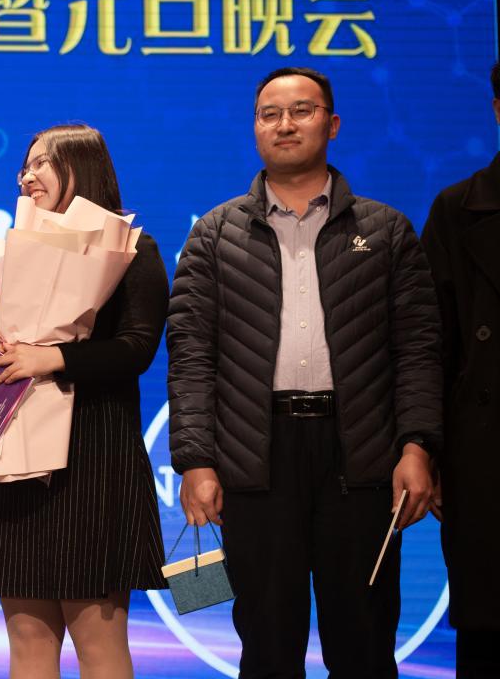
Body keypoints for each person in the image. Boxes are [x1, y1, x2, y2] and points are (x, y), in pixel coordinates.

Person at [168, 67, 442, 678]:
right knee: (267, 643)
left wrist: (417, 446)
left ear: (332, 124)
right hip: (254, 456)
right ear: (255, 128)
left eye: (302, 111)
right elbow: (190, 355)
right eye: (270, 114)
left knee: (364, 640)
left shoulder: (386, 230)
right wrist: (195, 460)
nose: (285, 125)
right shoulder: (214, 235)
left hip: (361, 457)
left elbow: (419, 350)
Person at [0, 124, 168, 679]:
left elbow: (137, 348)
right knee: (28, 641)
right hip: (13, 457)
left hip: (93, 459)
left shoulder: (133, 248)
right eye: (23, 167)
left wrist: (51, 358)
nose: (26, 177)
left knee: (98, 640)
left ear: (83, 166)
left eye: (41, 163)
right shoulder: (19, 248)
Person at [420, 61, 500, 678]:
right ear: (497, 110)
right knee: (488, 628)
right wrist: (427, 450)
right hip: (485, 458)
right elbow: (429, 346)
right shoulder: (459, 210)